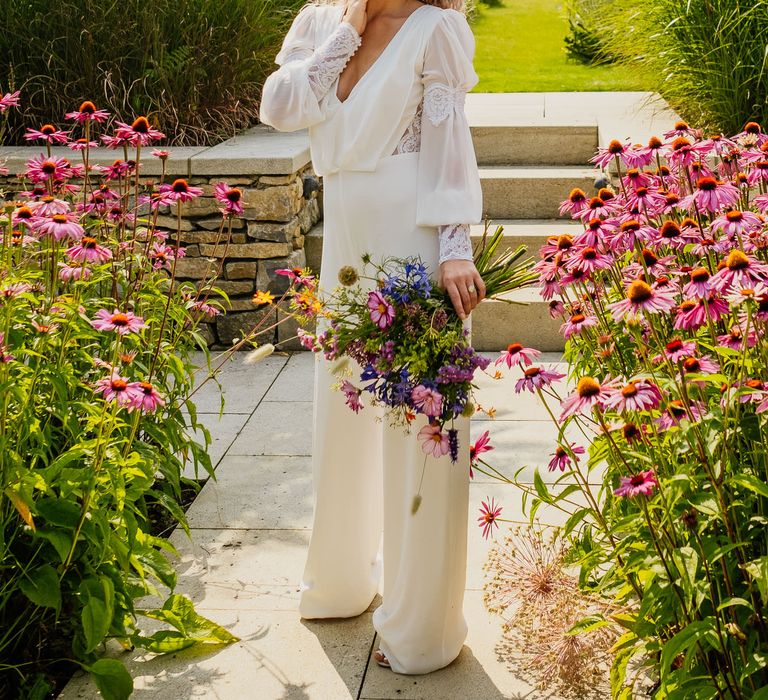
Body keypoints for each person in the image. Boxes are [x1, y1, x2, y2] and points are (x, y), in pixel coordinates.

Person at [259, 0, 484, 674]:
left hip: (413, 244)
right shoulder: (324, 18)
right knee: (345, 411)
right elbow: (280, 105)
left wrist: (454, 247)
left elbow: (449, 146)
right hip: (348, 249)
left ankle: (422, 628)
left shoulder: (435, 28)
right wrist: (348, 30)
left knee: (420, 429)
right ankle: (341, 581)